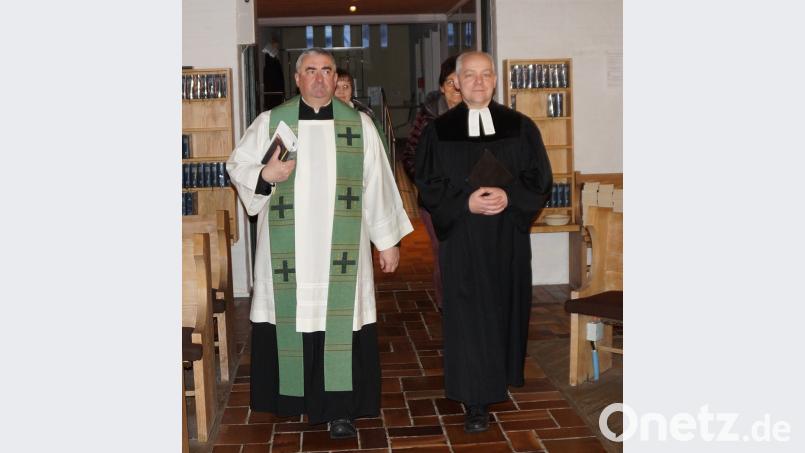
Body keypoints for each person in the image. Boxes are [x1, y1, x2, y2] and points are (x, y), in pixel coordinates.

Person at [227, 48, 413, 439]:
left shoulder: (358, 124)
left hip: (342, 253)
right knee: (293, 320)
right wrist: (266, 174)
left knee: (340, 323)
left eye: (326, 70)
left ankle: (339, 411)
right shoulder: (272, 123)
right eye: (310, 70)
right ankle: (292, 399)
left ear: (335, 78)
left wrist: (387, 241)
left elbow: (378, 184)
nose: (318, 77)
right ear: (297, 79)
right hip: (289, 252)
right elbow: (237, 165)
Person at [414, 51, 553, 433]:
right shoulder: (439, 131)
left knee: (505, 306)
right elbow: (428, 183)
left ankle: (500, 377)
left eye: (486, 74)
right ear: (457, 82)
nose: (478, 82)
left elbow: (540, 179)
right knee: (467, 315)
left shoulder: (520, 127)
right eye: (470, 75)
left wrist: (511, 197)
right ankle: (474, 399)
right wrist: (464, 202)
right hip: (463, 238)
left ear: (495, 80)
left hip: (507, 237)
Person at [400, 55, 461, 308]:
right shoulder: (429, 117)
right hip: (435, 200)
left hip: (468, 198)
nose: (456, 88)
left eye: (460, 81)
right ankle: (447, 305)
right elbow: (410, 155)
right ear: (441, 87)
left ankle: (467, 303)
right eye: (450, 82)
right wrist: (427, 184)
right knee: (443, 252)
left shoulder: (478, 114)